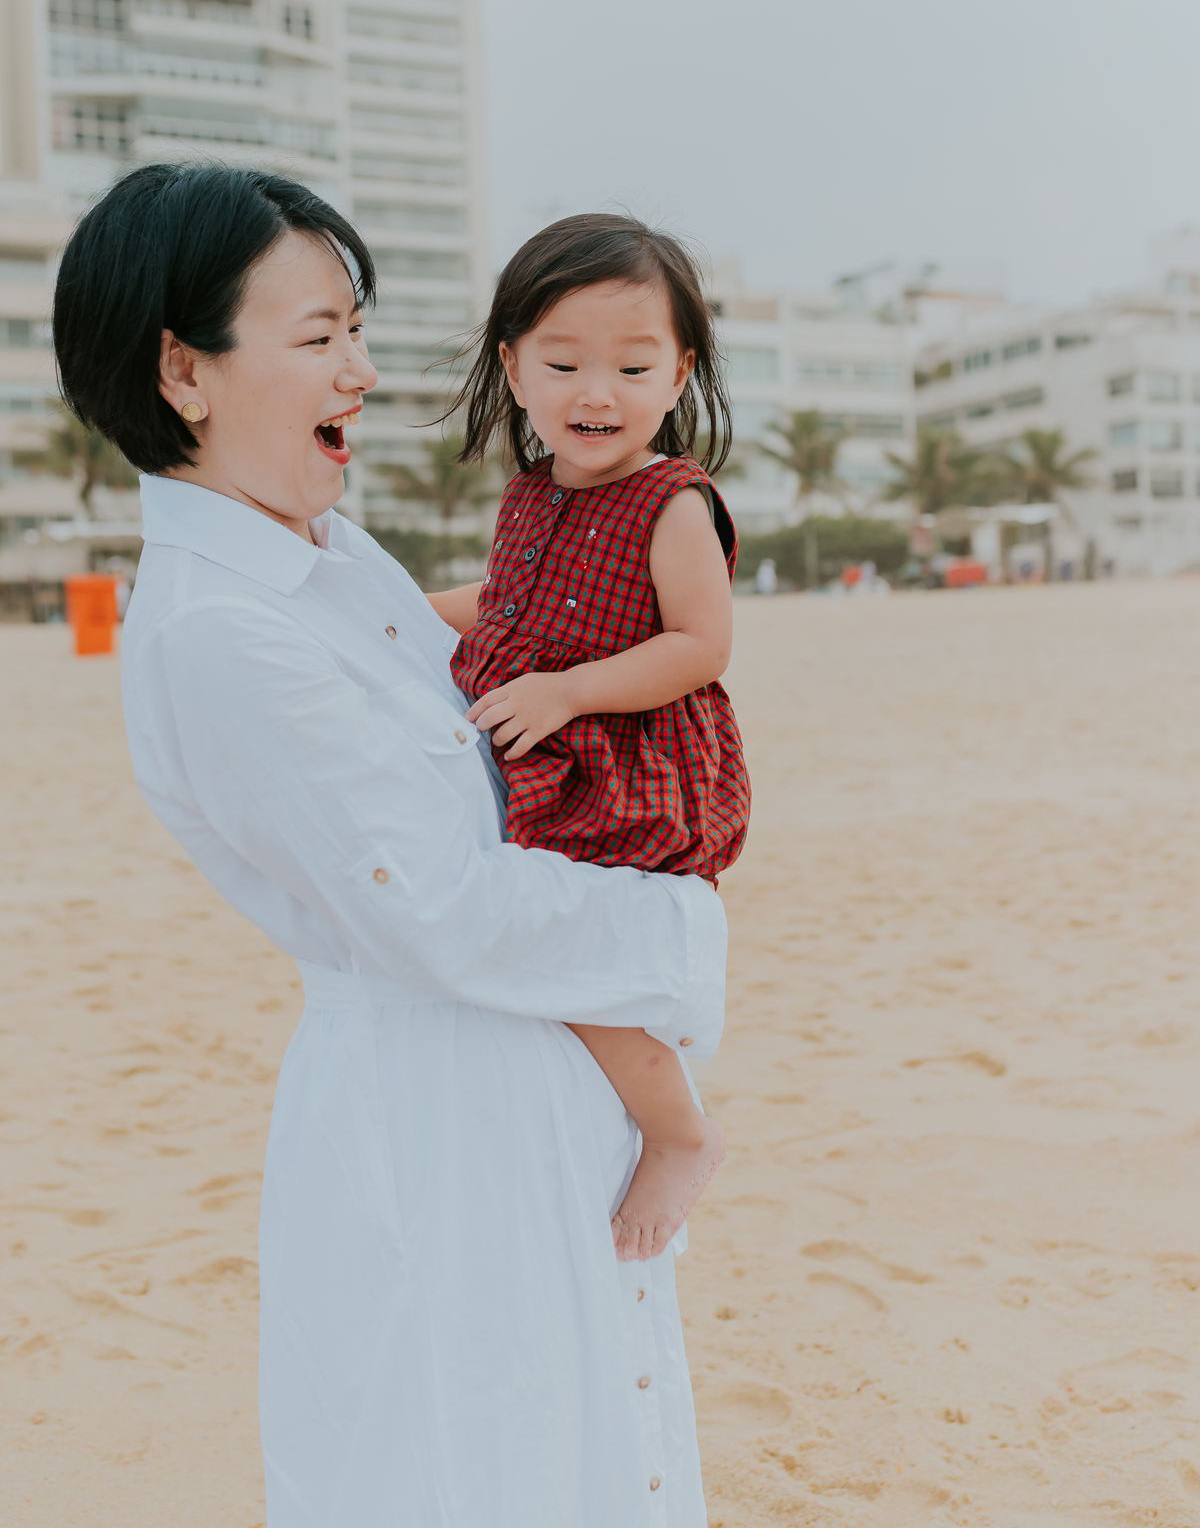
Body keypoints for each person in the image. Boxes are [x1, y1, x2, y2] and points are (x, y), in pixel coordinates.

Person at [52, 165, 728, 1527]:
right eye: (318, 339)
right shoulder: (220, 628)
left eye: (355, 330)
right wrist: (678, 926)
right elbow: (439, 907)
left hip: (532, 1100)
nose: (360, 372)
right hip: (437, 1137)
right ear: (185, 370)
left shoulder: (328, 555)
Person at [426, 216, 749, 1264]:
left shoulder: (671, 502)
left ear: (679, 372)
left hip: (629, 767)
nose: (595, 392)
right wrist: (395, 611)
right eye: (563, 363)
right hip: (543, 744)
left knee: (566, 959)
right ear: (515, 366)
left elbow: (701, 644)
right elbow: (509, 601)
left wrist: (567, 692)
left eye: (632, 364)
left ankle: (677, 1128)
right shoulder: (529, 493)